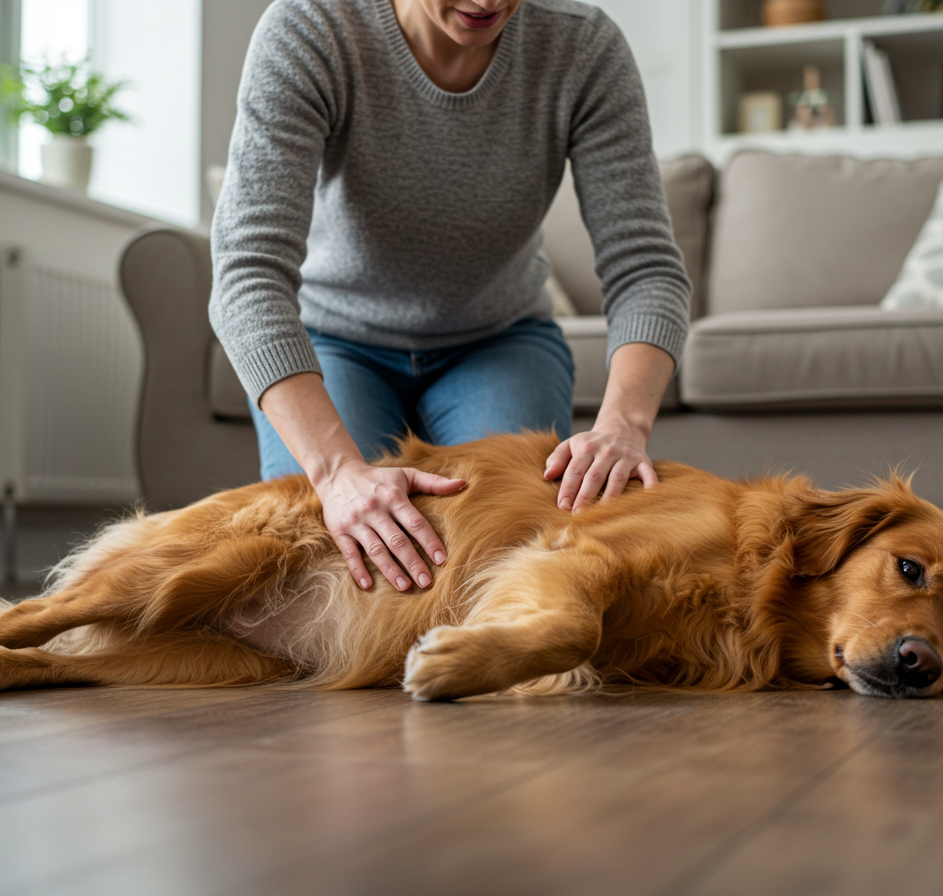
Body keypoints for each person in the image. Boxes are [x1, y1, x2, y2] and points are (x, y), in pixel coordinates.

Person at [209, 0, 691, 596]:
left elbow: (645, 268)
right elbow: (248, 270)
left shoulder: (583, 47)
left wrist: (624, 425)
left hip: (500, 340)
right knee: (332, 566)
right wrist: (336, 471)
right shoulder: (312, 28)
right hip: (336, 340)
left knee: (497, 559)